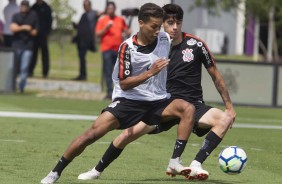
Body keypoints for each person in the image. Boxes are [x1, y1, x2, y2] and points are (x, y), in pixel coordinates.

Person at [76, 3, 236, 182]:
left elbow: (216, 76)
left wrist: (229, 107)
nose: (174, 27)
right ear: (161, 23)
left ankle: (196, 164)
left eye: (178, 22)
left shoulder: (195, 44)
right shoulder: (156, 44)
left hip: (193, 105)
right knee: (126, 135)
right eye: (169, 23)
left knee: (225, 118)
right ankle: (96, 170)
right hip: (162, 104)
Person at [40, 3, 195, 184]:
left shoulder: (164, 38)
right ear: (141, 23)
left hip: (159, 101)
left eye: (159, 26)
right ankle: (55, 172)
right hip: (130, 101)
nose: (157, 30)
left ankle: (175, 162)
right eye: (153, 26)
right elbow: (125, 84)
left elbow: (181, 35)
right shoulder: (127, 48)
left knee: (188, 108)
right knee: (91, 135)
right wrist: (150, 73)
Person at [96, 1, 131, 99]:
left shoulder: (120, 19)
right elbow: (97, 34)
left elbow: (126, 32)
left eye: (112, 8)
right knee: (107, 71)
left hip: (118, 50)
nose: (110, 10)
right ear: (107, 10)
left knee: (118, 72)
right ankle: (109, 92)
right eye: (109, 8)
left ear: (115, 9)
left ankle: (118, 92)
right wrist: (106, 28)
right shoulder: (102, 20)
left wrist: (129, 32)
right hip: (106, 49)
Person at [10, 0, 39, 93]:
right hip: (17, 45)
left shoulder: (33, 16)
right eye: (22, 6)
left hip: (28, 46)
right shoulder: (16, 16)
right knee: (14, 67)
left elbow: (35, 32)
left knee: (24, 68)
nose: (24, 8)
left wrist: (29, 30)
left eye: (25, 6)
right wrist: (24, 27)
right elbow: (12, 28)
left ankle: (21, 88)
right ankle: (11, 86)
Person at [72, 0, 101, 81]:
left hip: (87, 40)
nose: (84, 7)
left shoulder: (93, 13)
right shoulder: (83, 15)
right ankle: (82, 74)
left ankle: (83, 75)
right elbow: (80, 26)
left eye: (86, 5)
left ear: (90, 5)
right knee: (81, 57)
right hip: (80, 40)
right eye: (83, 5)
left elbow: (100, 13)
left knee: (82, 57)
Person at [29, 0, 52, 78]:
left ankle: (45, 73)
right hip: (34, 35)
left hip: (43, 35)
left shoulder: (47, 8)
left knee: (44, 54)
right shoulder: (33, 7)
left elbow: (50, 21)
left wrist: (47, 33)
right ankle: (30, 71)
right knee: (33, 54)